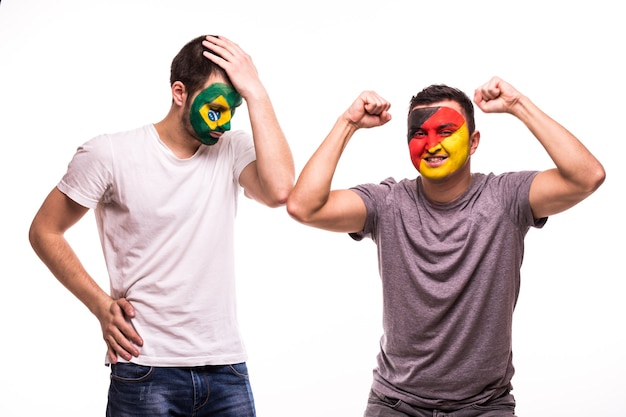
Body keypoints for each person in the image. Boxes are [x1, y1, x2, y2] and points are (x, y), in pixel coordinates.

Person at [286, 76, 605, 416]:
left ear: (473, 142)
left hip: (486, 405)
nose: (432, 144)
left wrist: (517, 105)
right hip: (396, 402)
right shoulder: (387, 203)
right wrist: (347, 123)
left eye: (446, 131)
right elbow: (304, 207)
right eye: (419, 133)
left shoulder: (506, 198)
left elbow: (588, 176)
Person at [29, 34, 294, 417]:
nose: (224, 122)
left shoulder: (231, 150)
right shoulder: (110, 154)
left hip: (226, 367)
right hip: (145, 366)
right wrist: (99, 305)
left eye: (233, 109)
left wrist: (257, 93)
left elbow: (281, 189)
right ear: (179, 92)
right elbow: (44, 230)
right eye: (216, 107)